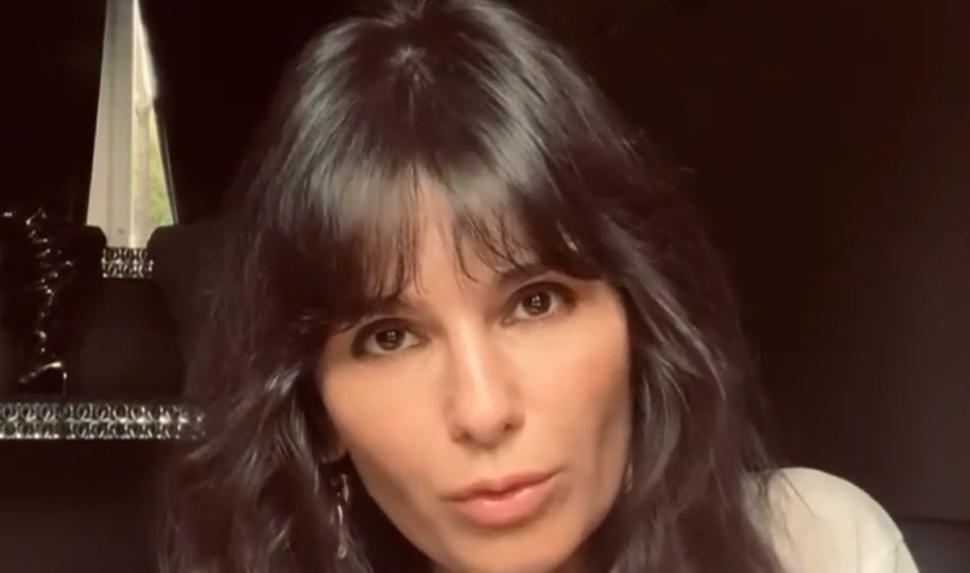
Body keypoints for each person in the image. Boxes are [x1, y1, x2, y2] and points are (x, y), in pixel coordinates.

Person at [162, 1, 919, 572]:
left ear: (638, 315)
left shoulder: (817, 547)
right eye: (389, 337)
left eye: (536, 301)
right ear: (318, 413)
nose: (483, 410)